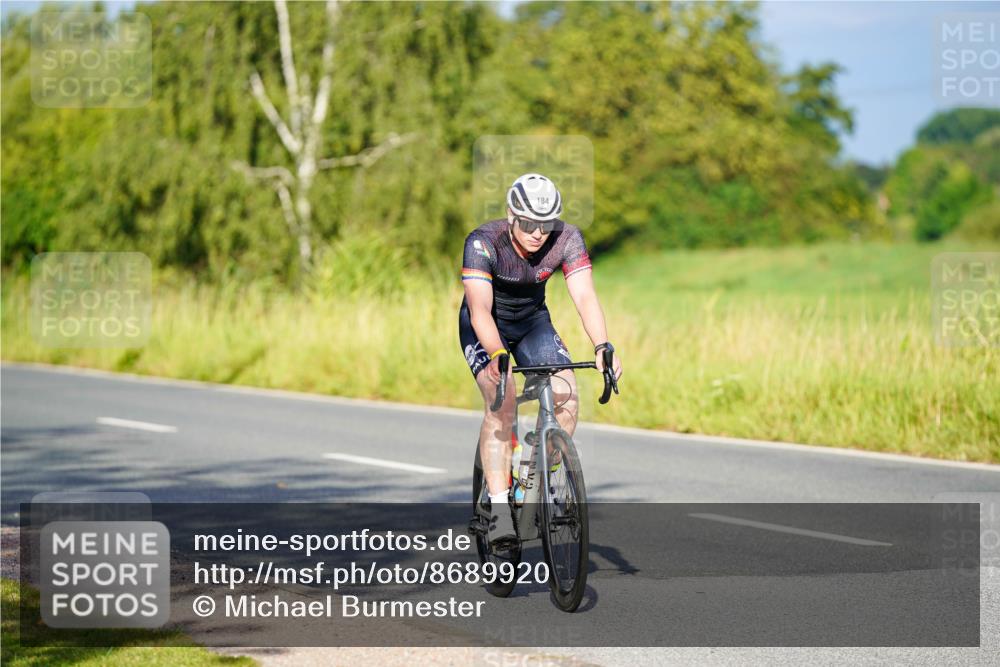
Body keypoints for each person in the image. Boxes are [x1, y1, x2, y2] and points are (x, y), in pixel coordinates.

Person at [460, 173, 623, 545]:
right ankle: (500, 511)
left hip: (533, 323)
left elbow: (584, 296)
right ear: (511, 215)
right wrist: (497, 355)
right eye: (529, 223)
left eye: (546, 224)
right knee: (502, 399)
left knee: (567, 393)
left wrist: (602, 345)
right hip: (486, 325)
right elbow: (480, 309)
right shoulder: (483, 242)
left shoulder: (567, 238)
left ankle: (534, 474)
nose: (538, 233)